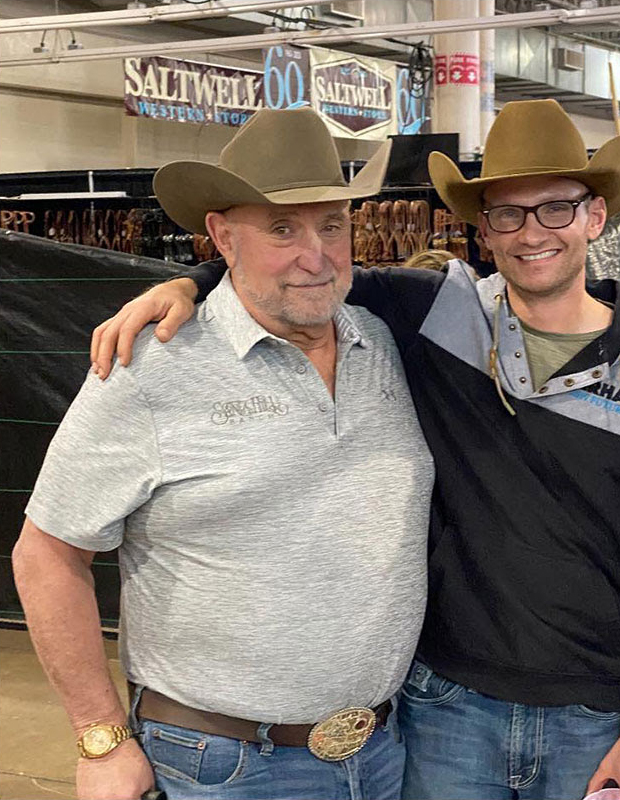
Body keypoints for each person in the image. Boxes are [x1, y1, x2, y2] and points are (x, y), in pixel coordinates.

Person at [90, 99, 620, 800]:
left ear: (595, 217)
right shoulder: (440, 315)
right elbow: (302, 276)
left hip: (592, 716)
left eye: (555, 209)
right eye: (507, 214)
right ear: (483, 228)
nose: (531, 232)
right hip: (445, 706)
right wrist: (186, 283)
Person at [12, 108, 435, 800]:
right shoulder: (151, 369)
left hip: (383, 753)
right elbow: (46, 555)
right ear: (222, 235)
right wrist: (99, 738)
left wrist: (194, 278)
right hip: (222, 764)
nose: (316, 255)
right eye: (281, 229)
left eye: (332, 225)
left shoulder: (385, 342)